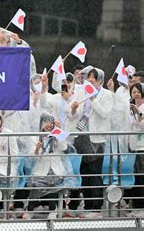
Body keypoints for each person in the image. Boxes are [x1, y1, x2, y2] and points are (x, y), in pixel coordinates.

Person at [68, 67, 113, 218]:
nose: (90, 79)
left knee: (95, 172)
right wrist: (73, 109)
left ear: (100, 80)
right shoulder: (81, 91)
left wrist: (93, 99)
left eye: (94, 77)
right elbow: (71, 113)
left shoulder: (106, 95)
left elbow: (104, 114)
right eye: (89, 77)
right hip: (80, 134)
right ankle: (87, 205)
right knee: (84, 172)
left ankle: (96, 207)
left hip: (96, 138)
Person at [22, 114, 74, 220]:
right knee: (38, 183)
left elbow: (64, 147)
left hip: (57, 168)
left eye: (51, 122)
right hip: (40, 169)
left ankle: (52, 209)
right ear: (41, 123)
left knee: (52, 180)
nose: (49, 125)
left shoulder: (57, 134)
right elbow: (31, 158)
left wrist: (59, 131)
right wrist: (36, 150)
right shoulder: (34, 137)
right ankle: (30, 209)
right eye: (46, 122)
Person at [128, 83, 144, 215]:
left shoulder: (140, 108)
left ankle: (141, 207)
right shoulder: (131, 108)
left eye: (138, 91)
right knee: (135, 177)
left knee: (141, 177)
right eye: (134, 92)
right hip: (133, 146)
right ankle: (135, 206)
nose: (136, 94)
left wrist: (139, 112)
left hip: (142, 147)